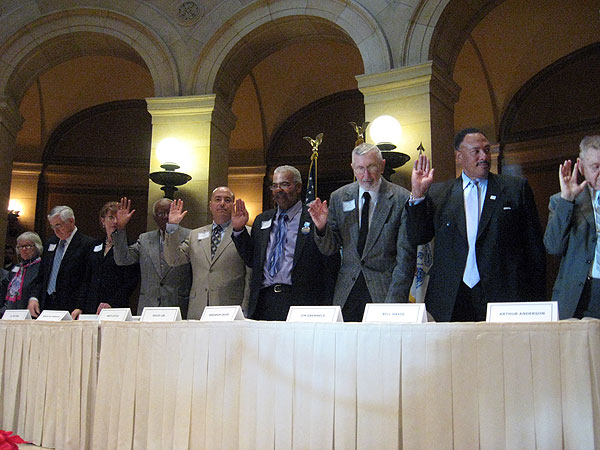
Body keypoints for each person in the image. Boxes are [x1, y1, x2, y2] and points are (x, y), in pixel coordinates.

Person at [407, 128, 546, 321]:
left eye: (487, 150)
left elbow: (534, 248)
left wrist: (536, 299)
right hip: (453, 298)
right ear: (459, 156)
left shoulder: (515, 189)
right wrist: (418, 195)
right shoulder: (439, 194)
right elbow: (418, 236)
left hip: (502, 295)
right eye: (476, 152)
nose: (484, 157)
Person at [308, 143, 416, 321]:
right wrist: (321, 227)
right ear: (353, 168)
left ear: (382, 165)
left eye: (372, 167)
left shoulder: (401, 198)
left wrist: (396, 302)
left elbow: (405, 258)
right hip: (347, 293)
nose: (366, 176)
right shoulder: (339, 197)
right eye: (360, 168)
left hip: (384, 293)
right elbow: (330, 249)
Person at [231, 165, 332, 320]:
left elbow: (328, 259)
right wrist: (239, 230)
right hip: (264, 301)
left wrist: (322, 228)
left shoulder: (314, 218)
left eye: (285, 185)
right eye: (275, 186)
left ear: (298, 187)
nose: (279, 190)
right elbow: (253, 260)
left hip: (301, 302)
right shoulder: (262, 220)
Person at [164, 187, 251, 319]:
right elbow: (173, 260)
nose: (222, 203)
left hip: (231, 309)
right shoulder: (195, 235)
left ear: (233, 205)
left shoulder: (245, 234)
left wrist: (246, 307)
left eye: (227, 200)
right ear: (210, 205)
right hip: (198, 309)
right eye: (218, 199)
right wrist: (172, 227)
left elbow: (250, 275)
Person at [545, 135, 600, 319]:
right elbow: (553, 247)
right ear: (581, 166)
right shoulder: (562, 201)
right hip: (580, 298)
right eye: (596, 167)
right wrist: (567, 200)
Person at [113, 197, 192, 317]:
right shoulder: (145, 239)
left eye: (169, 212)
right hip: (149, 306)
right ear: (154, 217)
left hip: (178, 306)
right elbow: (122, 259)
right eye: (161, 213)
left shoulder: (190, 236)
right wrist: (120, 229)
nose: (166, 217)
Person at [73, 202, 139, 318]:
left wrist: (112, 303)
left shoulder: (130, 246)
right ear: (103, 220)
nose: (114, 221)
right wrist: (79, 306)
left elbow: (131, 281)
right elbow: (87, 278)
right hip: (91, 305)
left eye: (117, 218)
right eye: (111, 217)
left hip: (116, 307)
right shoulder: (94, 245)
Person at [27, 206, 95, 318]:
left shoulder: (87, 244)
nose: (56, 231)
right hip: (46, 304)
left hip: (70, 306)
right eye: (53, 226)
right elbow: (41, 276)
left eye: (58, 225)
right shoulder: (50, 243)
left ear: (71, 221)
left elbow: (87, 280)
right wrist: (34, 297)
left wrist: (80, 306)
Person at [1, 232, 43, 317]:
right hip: (9, 312)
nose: (23, 249)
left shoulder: (42, 267)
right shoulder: (16, 268)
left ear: (37, 247)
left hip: (29, 313)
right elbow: (4, 286)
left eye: (27, 246)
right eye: (20, 247)